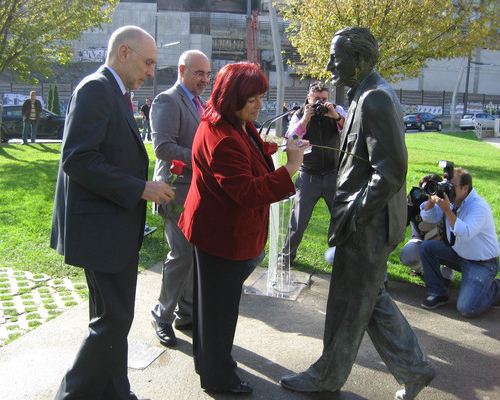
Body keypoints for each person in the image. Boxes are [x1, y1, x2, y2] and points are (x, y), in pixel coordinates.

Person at [280, 27, 436, 400]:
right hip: (366, 222)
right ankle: (415, 369)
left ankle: (327, 376)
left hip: (367, 224)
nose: (331, 64)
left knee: (348, 304)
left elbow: (392, 169)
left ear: (360, 59)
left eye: (337, 56)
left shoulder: (375, 98)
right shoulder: (367, 93)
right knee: (369, 299)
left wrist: (358, 214)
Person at [50, 25, 174, 400]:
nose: (151, 71)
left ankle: (117, 394)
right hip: (101, 231)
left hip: (111, 228)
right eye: (148, 62)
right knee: (114, 320)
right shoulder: (96, 88)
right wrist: (140, 188)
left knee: (110, 319)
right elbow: (78, 159)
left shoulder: (114, 91)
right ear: (124, 52)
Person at [178, 62, 309, 395]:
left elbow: (251, 151)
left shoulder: (230, 122)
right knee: (219, 314)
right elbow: (249, 192)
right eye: (252, 99)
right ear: (232, 96)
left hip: (215, 230)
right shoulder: (222, 137)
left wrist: (278, 149)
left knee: (212, 310)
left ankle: (207, 364)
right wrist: (290, 168)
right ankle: (219, 379)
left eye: (261, 98)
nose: (260, 106)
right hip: (221, 236)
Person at [149, 49, 211, 347]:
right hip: (174, 190)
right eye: (199, 73)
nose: (205, 80)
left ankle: (187, 315)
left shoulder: (201, 104)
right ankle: (162, 315)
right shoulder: (167, 100)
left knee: (194, 255)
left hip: (199, 193)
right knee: (182, 254)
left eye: (207, 74)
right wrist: (205, 159)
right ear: (182, 69)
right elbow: (163, 147)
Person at [279, 82, 345, 267]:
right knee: (298, 220)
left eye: (324, 99)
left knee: (340, 219)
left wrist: (336, 116)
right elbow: (290, 140)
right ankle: (285, 257)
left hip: (333, 174)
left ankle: (342, 259)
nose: (321, 104)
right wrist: (305, 120)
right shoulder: (300, 114)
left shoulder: (336, 110)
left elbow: (351, 130)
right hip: (308, 175)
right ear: (309, 99)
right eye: (317, 100)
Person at [419, 167, 500, 316]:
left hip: (482, 264)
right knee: (427, 248)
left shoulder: (479, 207)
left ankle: (495, 287)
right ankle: (438, 293)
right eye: (446, 183)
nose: (447, 188)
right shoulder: (451, 200)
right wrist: (431, 200)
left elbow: (466, 233)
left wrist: (447, 211)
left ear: (465, 188)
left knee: (467, 308)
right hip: (460, 255)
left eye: (452, 185)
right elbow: (428, 217)